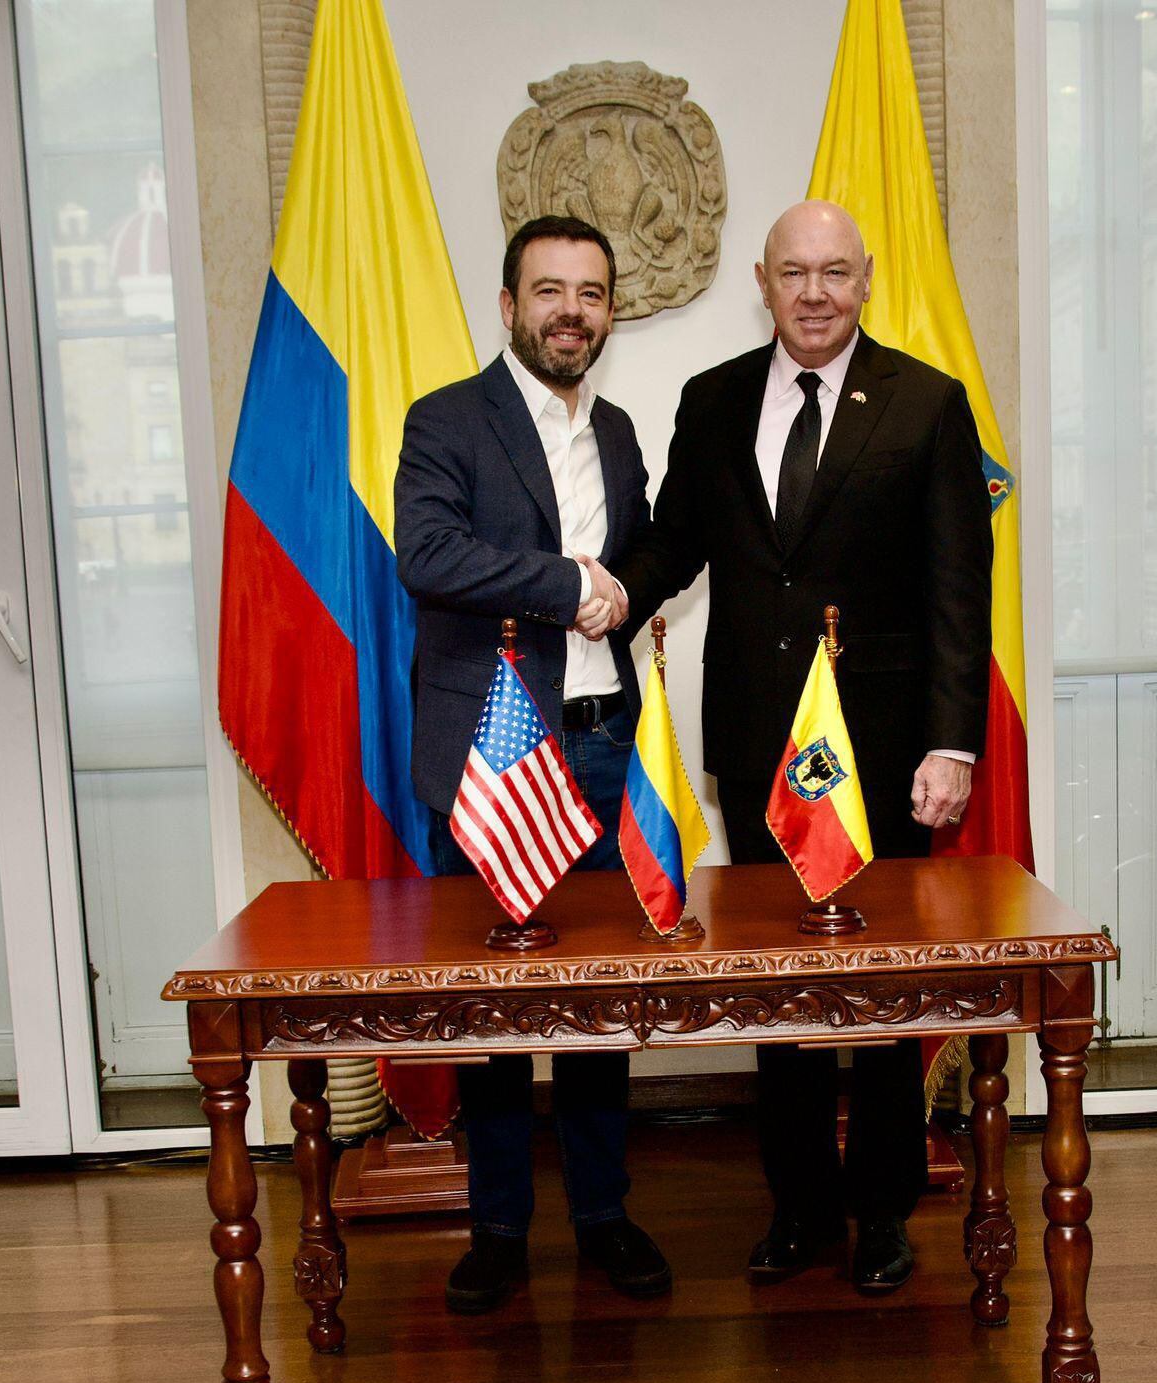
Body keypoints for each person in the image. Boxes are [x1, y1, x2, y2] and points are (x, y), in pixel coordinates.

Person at [613, 201, 993, 1293]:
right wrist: (608, 592)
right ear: (763, 281)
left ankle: (880, 1209)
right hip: (753, 744)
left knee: (870, 991)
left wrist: (949, 742)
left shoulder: (925, 405)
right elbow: (678, 539)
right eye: (794, 273)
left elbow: (954, 589)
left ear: (864, 281)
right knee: (776, 989)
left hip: (878, 752)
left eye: (834, 272)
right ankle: (795, 1210)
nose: (814, 292)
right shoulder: (713, 398)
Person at [394, 215, 669, 1314]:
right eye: (549, 290)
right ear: (507, 307)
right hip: (495, 758)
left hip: (602, 747)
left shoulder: (618, 429)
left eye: (590, 293)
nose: (571, 311)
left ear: (608, 311)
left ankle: (602, 1213)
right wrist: (569, 585)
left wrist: (626, 589)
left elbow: (640, 556)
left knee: (601, 1003)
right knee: (495, 1008)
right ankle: (499, 1226)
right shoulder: (447, 420)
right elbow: (428, 553)